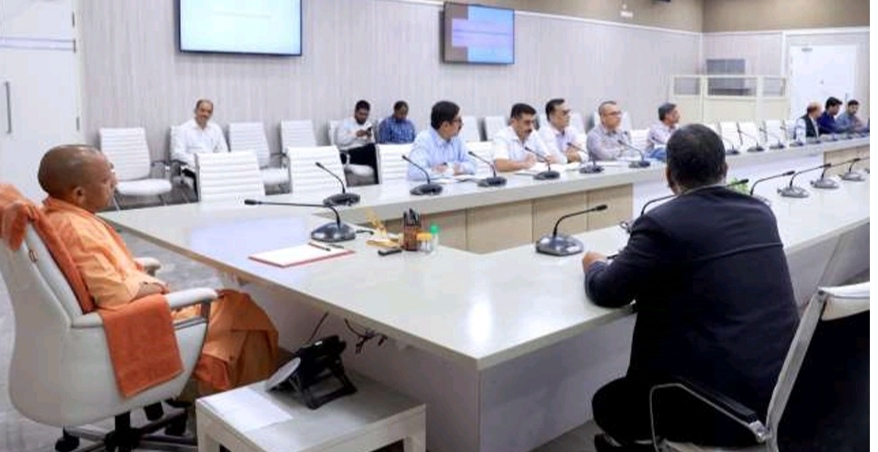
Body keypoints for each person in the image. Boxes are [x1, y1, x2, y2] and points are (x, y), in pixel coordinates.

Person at [582, 124, 798, 451]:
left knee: (608, 403)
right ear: (725, 169)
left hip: (713, 409)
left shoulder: (661, 223)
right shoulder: (761, 213)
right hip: (779, 392)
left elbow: (608, 292)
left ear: (669, 175)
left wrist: (594, 264)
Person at [38, 145, 278, 395]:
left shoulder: (59, 215)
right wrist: (155, 287)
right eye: (106, 181)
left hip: (130, 312)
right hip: (137, 320)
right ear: (79, 194)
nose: (115, 183)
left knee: (229, 327)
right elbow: (115, 295)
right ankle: (242, 404)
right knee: (241, 311)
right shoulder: (77, 230)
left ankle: (210, 393)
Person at [406, 101, 476, 181]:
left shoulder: (457, 138)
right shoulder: (423, 140)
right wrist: (445, 172)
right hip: (431, 188)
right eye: (458, 121)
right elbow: (415, 172)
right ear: (445, 125)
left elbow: (473, 165)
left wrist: (450, 167)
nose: (461, 124)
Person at [171, 99, 229, 194]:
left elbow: (223, 150)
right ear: (195, 111)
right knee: (203, 178)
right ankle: (205, 202)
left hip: (212, 165)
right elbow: (177, 153)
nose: (205, 114)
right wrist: (198, 162)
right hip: (191, 167)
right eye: (202, 110)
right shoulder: (183, 129)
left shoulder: (216, 129)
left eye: (209, 112)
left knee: (228, 176)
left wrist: (214, 161)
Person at [492, 103, 564, 173]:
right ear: (513, 121)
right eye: (527, 122)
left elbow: (547, 157)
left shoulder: (533, 134)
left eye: (533, 122)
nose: (531, 127)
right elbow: (500, 164)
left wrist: (550, 160)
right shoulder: (502, 136)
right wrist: (525, 164)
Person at [335, 100, 379, 184]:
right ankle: (379, 182)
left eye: (366, 115)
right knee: (372, 150)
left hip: (363, 154)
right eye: (361, 114)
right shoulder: (345, 123)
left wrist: (369, 137)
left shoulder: (368, 124)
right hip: (348, 154)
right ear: (355, 112)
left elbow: (372, 143)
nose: (363, 117)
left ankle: (377, 183)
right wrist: (355, 135)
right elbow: (340, 142)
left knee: (376, 152)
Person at [539, 98, 586, 163]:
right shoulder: (544, 132)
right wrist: (569, 155)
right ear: (552, 116)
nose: (569, 116)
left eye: (568, 112)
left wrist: (563, 155)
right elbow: (556, 158)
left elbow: (586, 155)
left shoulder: (572, 130)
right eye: (564, 113)